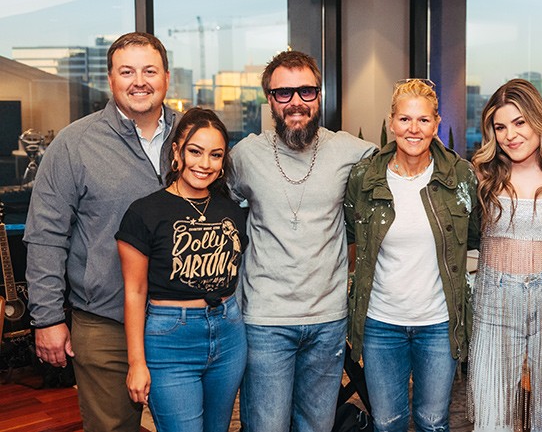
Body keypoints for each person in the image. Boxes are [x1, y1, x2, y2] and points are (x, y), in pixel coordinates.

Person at [23, 32, 177, 432]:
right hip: (105, 324)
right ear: (110, 79)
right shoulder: (75, 144)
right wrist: (47, 318)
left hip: (183, 320)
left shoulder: (191, 137)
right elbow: (45, 235)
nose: (138, 81)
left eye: (149, 70)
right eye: (126, 71)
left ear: (167, 78)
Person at [228, 50, 376, 432]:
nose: (296, 101)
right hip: (265, 319)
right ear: (270, 100)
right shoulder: (244, 155)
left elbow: (404, 163)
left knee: (316, 426)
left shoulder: (349, 149)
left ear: (319, 96)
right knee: (266, 426)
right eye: (284, 93)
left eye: (306, 91)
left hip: (327, 319)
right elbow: (215, 209)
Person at [344, 78, 479, 432]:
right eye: (405, 119)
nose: (413, 129)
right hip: (380, 323)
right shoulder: (365, 177)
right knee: (387, 422)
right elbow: (347, 235)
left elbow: (477, 235)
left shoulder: (460, 176)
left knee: (433, 422)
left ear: (436, 124)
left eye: (423, 120)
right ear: (391, 123)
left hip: (437, 323)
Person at [117, 108, 247, 432]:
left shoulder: (231, 209)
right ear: (176, 151)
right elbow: (134, 292)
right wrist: (136, 363)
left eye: (215, 155)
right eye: (195, 151)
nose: (205, 164)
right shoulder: (144, 212)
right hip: (170, 339)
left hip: (229, 333)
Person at [467, 79, 542, 432]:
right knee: (491, 412)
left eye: (519, 123)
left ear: (538, 120)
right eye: (500, 126)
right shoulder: (483, 173)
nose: (509, 135)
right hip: (494, 295)